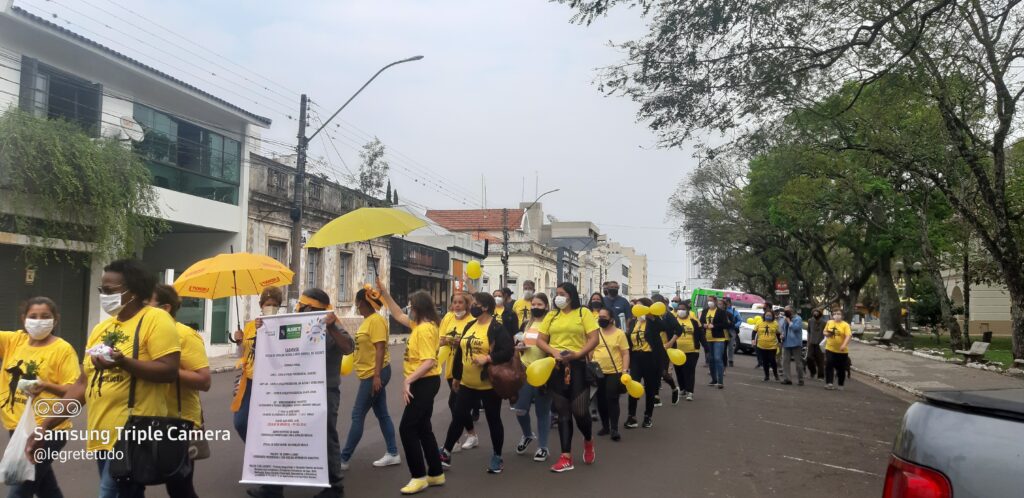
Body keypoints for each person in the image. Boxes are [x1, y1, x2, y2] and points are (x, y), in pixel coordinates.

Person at [84, 259, 182, 498]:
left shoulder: (155, 320)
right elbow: (81, 383)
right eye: (102, 290)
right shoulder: (102, 328)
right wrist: (45, 426)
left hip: (133, 432)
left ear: (134, 291)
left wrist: (124, 362)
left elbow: (169, 370)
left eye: (110, 290)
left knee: (111, 493)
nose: (104, 295)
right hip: (101, 433)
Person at [249, 288, 355, 498]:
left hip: (323, 392)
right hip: (294, 391)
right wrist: (262, 330)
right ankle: (272, 487)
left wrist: (331, 325)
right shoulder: (292, 324)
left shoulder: (333, 325)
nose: (301, 311)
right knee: (282, 437)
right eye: (301, 308)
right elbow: (272, 352)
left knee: (325, 438)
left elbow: (348, 347)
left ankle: (334, 488)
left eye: (306, 309)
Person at [1, 297, 84, 498]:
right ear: (24, 319)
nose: (39, 321)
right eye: (33, 316)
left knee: (20, 488)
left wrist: (45, 385)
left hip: (48, 431)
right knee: (46, 488)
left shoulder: (62, 350)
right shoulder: (14, 341)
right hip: (18, 427)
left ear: (55, 320)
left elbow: (74, 390)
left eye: (45, 316)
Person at [376, 279, 446, 494]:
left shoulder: (424, 330)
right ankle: (435, 473)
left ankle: (418, 476)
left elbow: (429, 362)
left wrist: (408, 380)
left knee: (407, 428)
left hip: (423, 382)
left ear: (418, 308)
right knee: (423, 427)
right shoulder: (423, 325)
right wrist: (385, 293)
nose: (408, 309)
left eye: (411, 306)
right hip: (425, 381)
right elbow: (397, 314)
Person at [440, 292, 514, 474]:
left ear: (485, 307)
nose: (472, 306)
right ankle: (446, 453)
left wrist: (488, 357)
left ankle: (497, 457)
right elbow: (460, 353)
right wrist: (457, 376)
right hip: (467, 383)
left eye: (475, 304)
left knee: (493, 419)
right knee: (458, 417)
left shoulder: (496, 328)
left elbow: (508, 351)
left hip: (488, 385)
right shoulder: (471, 325)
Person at [151, 284, 210, 498]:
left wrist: (166, 368)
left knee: (179, 487)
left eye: (146, 303)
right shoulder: (144, 334)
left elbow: (204, 381)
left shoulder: (185, 335)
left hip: (179, 421)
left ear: (165, 308)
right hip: (148, 419)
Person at [537, 282, 600, 473]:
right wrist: (554, 352)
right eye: (556, 294)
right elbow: (540, 339)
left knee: (580, 411)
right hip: (556, 366)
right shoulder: (551, 315)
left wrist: (577, 354)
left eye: (562, 294)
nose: (558, 297)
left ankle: (588, 440)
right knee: (563, 411)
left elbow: (594, 338)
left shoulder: (583, 313)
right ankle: (566, 457)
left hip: (578, 365)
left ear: (571, 296)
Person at [339, 286, 400, 470]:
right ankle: (393, 452)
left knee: (357, 414)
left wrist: (376, 376)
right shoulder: (367, 321)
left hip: (375, 374)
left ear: (362, 303)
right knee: (382, 413)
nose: (357, 306)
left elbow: (380, 348)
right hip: (370, 374)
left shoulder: (376, 321)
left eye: (357, 302)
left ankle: (343, 458)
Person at [231, 286, 283, 441]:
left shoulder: (282, 325)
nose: (271, 308)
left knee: (269, 424)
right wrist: (239, 342)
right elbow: (241, 355)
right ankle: (254, 448)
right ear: (261, 306)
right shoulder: (250, 327)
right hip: (249, 381)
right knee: (240, 422)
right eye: (268, 304)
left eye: (275, 305)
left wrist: (265, 331)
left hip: (271, 383)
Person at [512, 292, 553, 461]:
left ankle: (543, 447)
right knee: (520, 409)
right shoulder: (527, 323)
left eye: (539, 305)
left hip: (543, 372)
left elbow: (552, 345)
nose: (535, 308)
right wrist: (520, 346)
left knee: (542, 411)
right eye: (533, 305)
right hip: (525, 370)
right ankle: (528, 435)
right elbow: (525, 343)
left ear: (546, 306)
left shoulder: (550, 323)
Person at [438, 292, 480, 452]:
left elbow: (474, 342)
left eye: (460, 302)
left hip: (466, 366)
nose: (457, 305)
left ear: (467, 304)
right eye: (454, 302)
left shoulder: (472, 320)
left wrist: (460, 343)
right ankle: (471, 435)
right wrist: (448, 340)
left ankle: (457, 439)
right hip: (451, 366)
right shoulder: (448, 317)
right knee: (457, 405)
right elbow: (440, 339)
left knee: (454, 403)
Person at [590, 307, 629, 441]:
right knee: (601, 400)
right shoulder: (596, 333)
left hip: (615, 371)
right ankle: (605, 426)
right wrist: (588, 364)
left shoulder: (619, 334)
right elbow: (590, 350)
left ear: (611, 319)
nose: (601, 319)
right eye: (599, 317)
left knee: (612, 398)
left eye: (604, 317)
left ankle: (614, 428)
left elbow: (625, 353)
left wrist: (624, 370)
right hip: (598, 372)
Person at [624, 298, 662, 429]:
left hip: (650, 358)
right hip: (636, 358)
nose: (637, 309)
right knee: (633, 386)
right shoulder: (634, 322)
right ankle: (631, 416)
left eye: (640, 307)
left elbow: (665, 327)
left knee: (650, 388)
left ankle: (648, 416)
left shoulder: (653, 321)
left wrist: (651, 316)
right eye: (636, 307)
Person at [651, 294, 681, 406]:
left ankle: (674, 387)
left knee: (662, 372)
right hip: (654, 347)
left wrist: (670, 343)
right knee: (654, 372)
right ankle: (656, 397)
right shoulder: (652, 316)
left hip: (666, 348)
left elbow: (679, 330)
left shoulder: (668, 316)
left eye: (653, 302)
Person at [673, 302, 704, 401]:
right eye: (679, 309)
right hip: (676, 352)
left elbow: (700, 335)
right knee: (679, 371)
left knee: (689, 371)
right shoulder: (673, 321)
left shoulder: (694, 322)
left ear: (687, 311)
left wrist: (707, 348)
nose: (681, 311)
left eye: (683, 309)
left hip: (692, 351)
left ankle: (690, 391)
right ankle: (682, 389)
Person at [700, 297, 732, 389]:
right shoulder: (705, 310)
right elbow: (701, 322)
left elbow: (725, 324)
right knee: (711, 359)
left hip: (719, 338)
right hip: (708, 338)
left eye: (711, 300)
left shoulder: (721, 312)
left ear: (715, 302)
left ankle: (720, 381)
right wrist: (704, 325)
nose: (709, 302)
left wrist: (714, 326)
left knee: (718, 358)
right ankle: (714, 379)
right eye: (708, 301)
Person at [823, 310, 853, 391]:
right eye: (834, 314)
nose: (836, 315)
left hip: (842, 351)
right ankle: (829, 383)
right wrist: (827, 334)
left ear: (842, 316)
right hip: (830, 348)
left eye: (838, 314)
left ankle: (840, 383)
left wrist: (844, 345)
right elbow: (824, 331)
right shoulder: (829, 322)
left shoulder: (845, 325)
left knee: (841, 368)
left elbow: (848, 336)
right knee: (829, 364)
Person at [780, 305, 805, 386]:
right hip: (786, 343)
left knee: (798, 363)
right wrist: (782, 335)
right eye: (785, 310)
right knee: (785, 362)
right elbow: (783, 329)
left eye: (787, 310)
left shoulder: (798, 318)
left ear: (792, 310)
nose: (785, 312)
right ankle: (787, 379)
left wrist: (789, 321)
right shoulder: (785, 319)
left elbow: (796, 328)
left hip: (796, 343)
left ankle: (801, 380)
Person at [755, 309, 781, 382]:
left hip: (772, 346)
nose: (768, 317)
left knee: (772, 360)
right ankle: (766, 376)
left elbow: (778, 333)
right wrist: (753, 340)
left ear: (772, 316)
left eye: (770, 315)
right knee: (765, 361)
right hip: (761, 345)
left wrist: (779, 342)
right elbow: (754, 331)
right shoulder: (760, 322)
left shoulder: (775, 323)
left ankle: (776, 375)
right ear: (764, 316)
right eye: (767, 315)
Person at [805, 309, 827, 380]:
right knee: (809, 358)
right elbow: (809, 332)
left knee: (820, 360)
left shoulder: (824, 322)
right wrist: (808, 342)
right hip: (811, 343)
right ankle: (813, 371)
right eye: (814, 312)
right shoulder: (810, 321)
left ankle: (821, 376)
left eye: (817, 312)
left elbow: (826, 333)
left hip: (820, 344)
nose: (815, 314)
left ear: (820, 314)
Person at [722, 297, 742, 368]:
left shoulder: (734, 311)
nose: (724, 304)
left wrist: (735, 326)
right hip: (723, 330)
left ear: (729, 303)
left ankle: (730, 360)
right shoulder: (720, 311)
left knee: (730, 346)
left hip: (731, 330)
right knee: (722, 346)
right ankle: (723, 360)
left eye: (726, 303)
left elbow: (740, 320)